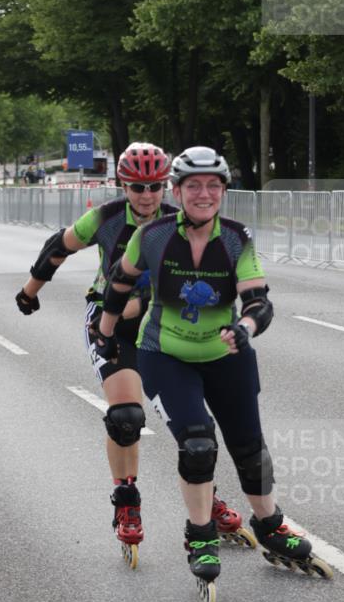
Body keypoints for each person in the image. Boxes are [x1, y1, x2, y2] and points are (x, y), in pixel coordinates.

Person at [94, 146, 332, 602]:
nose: (204, 194)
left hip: (227, 352)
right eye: (193, 186)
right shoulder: (154, 235)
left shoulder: (238, 239)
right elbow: (118, 283)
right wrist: (105, 334)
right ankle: (200, 533)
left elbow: (259, 301)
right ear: (178, 192)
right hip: (165, 353)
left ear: (224, 190)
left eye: (213, 186)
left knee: (248, 446)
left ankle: (270, 525)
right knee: (199, 444)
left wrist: (244, 328)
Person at [15, 142, 250, 570]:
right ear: (123, 185)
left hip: (161, 322)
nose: (147, 195)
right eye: (138, 187)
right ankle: (126, 499)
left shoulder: (179, 223)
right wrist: (30, 292)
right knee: (127, 418)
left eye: (156, 186)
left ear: (168, 186)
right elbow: (58, 245)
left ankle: (207, 498)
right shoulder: (106, 218)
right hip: (110, 322)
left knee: (189, 421)